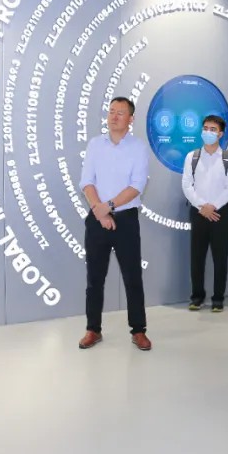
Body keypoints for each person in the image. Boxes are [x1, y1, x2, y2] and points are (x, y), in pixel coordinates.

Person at [78, 97, 152, 351]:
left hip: (126, 219)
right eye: (111, 111)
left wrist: (108, 207)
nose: (114, 116)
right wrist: (100, 212)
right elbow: (87, 181)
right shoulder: (95, 144)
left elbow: (137, 185)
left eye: (120, 113)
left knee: (132, 277)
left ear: (131, 119)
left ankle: (139, 330)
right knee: (94, 278)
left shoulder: (138, 147)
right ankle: (93, 329)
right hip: (97, 218)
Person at [182, 115, 228, 313]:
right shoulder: (192, 157)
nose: (208, 132)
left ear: (221, 134)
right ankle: (197, 297)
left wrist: (213, 206)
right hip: (198, 212)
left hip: (220, 214)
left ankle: (218, 298)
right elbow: (187, 185)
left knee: (220, 258)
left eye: (213, 129)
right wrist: (202, 206)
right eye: (205, 128)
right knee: (197, 258)